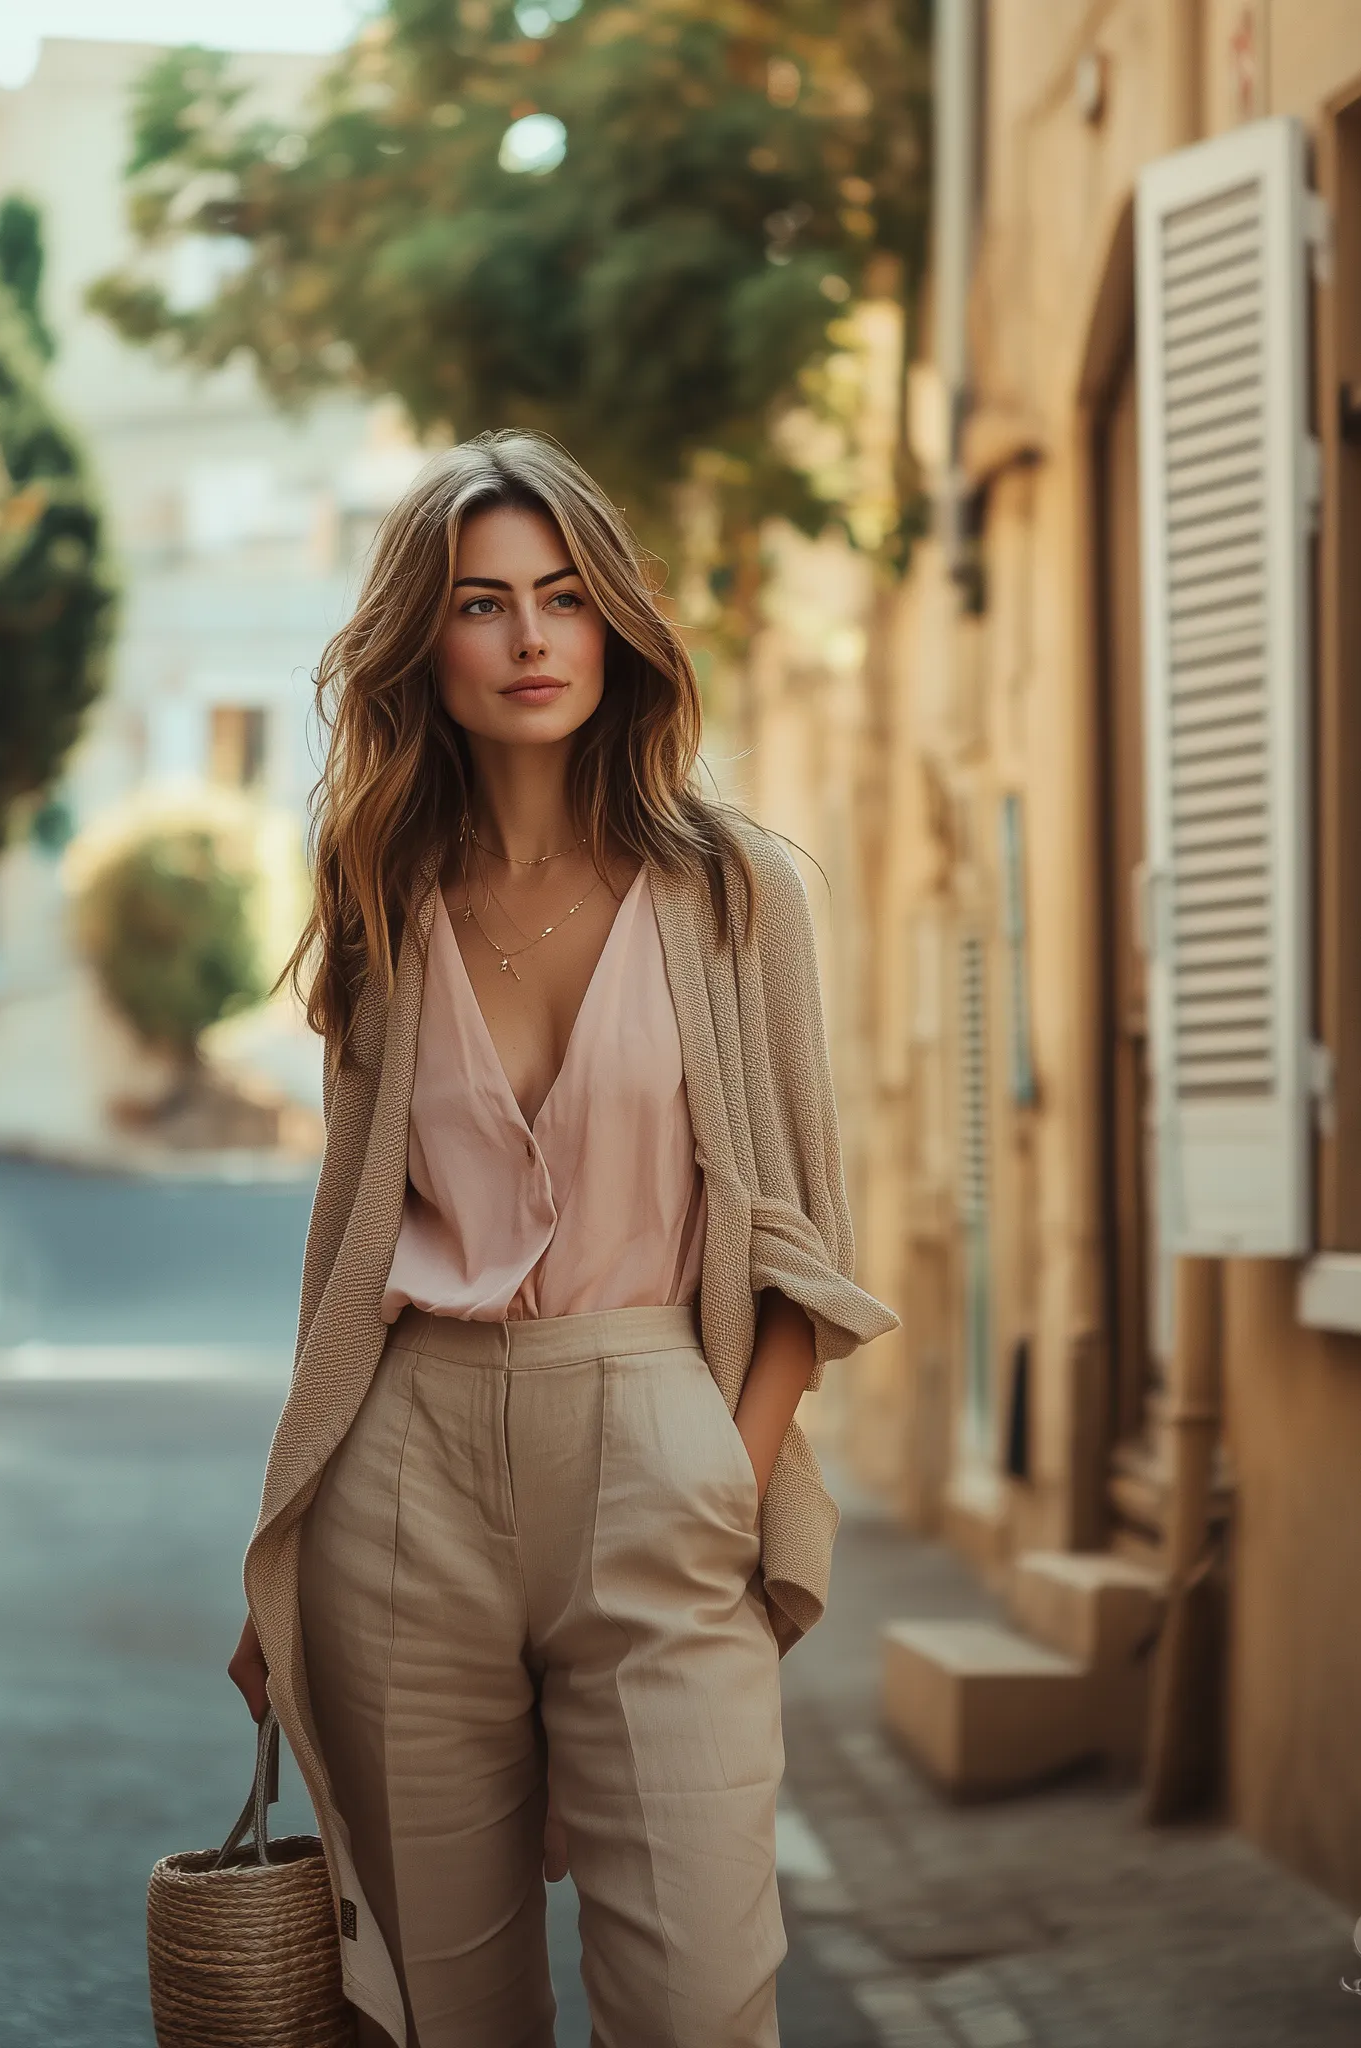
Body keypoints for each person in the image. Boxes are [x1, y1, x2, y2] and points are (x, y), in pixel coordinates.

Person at [228, 430, 896, 2047]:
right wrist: (291, 1539)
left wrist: (724, 1478)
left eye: (565, 597)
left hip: (658, 1431)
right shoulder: (386, 891)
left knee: (697, 1998)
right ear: (425, 646)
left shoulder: (736, 894)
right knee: (444, 2010)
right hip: (407, 1470)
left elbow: (803, 1248)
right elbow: (347, 1246)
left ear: (615, 626)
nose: (531, 639)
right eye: (482, 603)